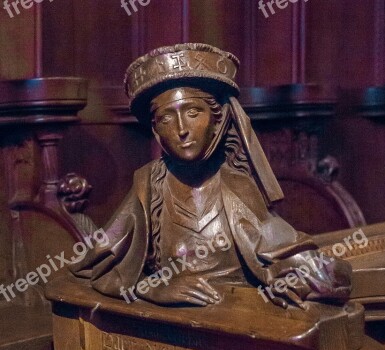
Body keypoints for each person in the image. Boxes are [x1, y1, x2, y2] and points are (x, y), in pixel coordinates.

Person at [73, 43, 351, 308]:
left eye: (193, 112)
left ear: (218, 120)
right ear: (156, 131)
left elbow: (320, 270)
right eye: (167, 118)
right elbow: (99, 266)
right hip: (163, 330)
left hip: (232, 329)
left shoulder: (237, 188)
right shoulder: (148, 185)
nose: (181, 129)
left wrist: (294, 279)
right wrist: (151, 288)